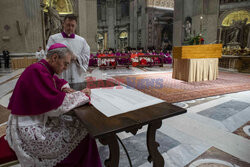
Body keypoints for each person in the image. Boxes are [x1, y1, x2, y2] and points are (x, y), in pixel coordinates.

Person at [5, 43, 102, 167]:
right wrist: (83, 95)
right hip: (31, 131)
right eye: (65, 63)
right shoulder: (37, 71)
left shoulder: (41, 68)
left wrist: (64, 87)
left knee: (76, 124)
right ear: (55, 58)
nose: (66, 68)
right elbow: (55, 107)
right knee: (84, 132)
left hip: (32, 120)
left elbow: (55, 81)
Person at [46, 14, 90, 84]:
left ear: (76, 26)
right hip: (60, 75)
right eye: (68, 25)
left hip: (76, 76)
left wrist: (76, 58)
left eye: (72, 25)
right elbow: (49, 56)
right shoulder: (54, 38)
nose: (70, 28)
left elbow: (86, 57)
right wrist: (63, 58)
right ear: (63, 24)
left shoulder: (82, 41)